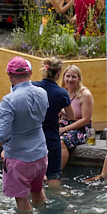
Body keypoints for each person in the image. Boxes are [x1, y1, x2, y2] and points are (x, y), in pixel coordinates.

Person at [0, 57, 50, 212]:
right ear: (29, 72)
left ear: (9, 75)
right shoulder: (42, 93)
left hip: (19, 158)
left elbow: (2, 135)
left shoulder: (8, 101)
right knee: (38, 191)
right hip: (41, 154)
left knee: (22, 199)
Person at [32, 57, 73, 185]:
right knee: (53, 175)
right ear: (59, 73)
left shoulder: (32, 86)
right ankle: (56, 202)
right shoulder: (61, 93)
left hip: (33, 136)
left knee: (32, 174)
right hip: (51, 137)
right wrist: (59, 107)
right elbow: (71, 115)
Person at [59, 64, 95, 169]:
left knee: (61, 142)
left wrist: (64, 129)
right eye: (68, 76)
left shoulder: (85, 94)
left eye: (74, 77)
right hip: (63, 123)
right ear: (63, 77)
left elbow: (85, 119)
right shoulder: (62, 91)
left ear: (79, 78)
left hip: (81, 128)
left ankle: (56, 174)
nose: (70, 79)